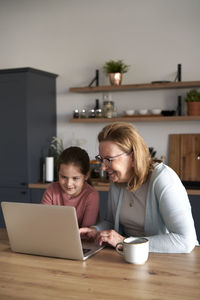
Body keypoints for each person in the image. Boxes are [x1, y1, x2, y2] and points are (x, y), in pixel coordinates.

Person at [80, 122, 198, 253]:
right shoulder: (117, 179)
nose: (103, 167)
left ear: (133, 156)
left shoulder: (163, 179)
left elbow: (185, 241)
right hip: (131, 256)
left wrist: (126, 242)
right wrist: (96, 230)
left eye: (109, 159)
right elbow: (112, 222)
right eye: (101, 159)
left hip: (171, 260)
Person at [41, 146, 99, 228]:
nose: (68, 184)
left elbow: (86, 232)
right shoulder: (52, 190)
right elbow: (43, 221)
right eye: (63, 177)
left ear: (86, 175)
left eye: (75, 178)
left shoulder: (91, 195)